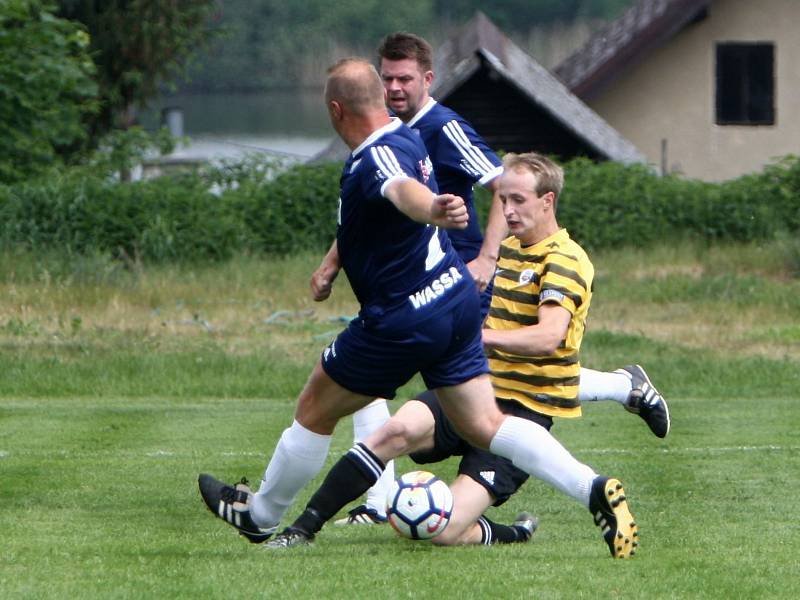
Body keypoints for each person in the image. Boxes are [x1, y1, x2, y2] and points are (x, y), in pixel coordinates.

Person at [198, 62, 637, 559]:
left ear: (336, 111)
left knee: (314, 410)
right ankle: (592, 488)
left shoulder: (375, 157)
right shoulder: (406, 136)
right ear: (382, 101)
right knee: (485, 425)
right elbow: (375, 216)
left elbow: (399, 191)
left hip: (401, 319)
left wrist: (431, 209)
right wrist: (334, 262)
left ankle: (260, 516)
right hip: (454, 300)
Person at [319, 32, 669, 527]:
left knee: (475, 375)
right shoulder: (388, 134)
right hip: (405, 286)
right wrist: (334, 261)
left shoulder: (443, 126)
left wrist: (486, 258)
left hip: (449, 285)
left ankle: (381, 502)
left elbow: (503, 179)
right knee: (401, 385)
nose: (395, 87)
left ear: (427, 79)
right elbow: (374, 209)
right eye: (387, 78)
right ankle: (621, 389)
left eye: (404, 78)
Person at [266, 152, 639, 557]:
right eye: (503, 201)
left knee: (439, 531)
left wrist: (477, 339)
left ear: (547, 201)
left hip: (524, 411)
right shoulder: (506, 251)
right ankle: (302, 528)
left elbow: (547, 338)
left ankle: (517, 531)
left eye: (518, 200)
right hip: (474, 388)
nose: (508, 210)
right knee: (393, 433)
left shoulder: (565, 260)